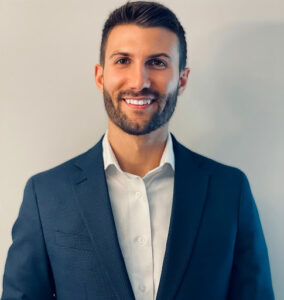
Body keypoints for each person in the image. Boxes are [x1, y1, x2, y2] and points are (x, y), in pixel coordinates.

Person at [1, 1, 274, 299]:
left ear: (181, 79)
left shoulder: (229, 191)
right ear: (100, 76)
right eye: (122, 61)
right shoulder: (47, 194)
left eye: (157, 62)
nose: (139, 82)